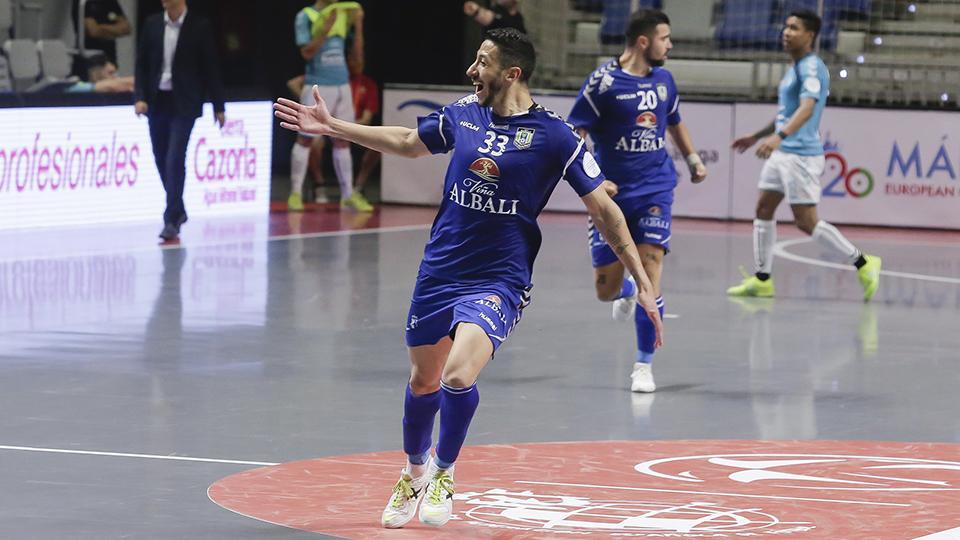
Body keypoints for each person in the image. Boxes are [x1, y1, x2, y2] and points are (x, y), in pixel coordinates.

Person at [274, 27, 663, 530]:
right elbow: (410, 142)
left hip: (499, 278)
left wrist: (643, 283)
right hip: (440, 270)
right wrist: (336, 128)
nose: (471, 71)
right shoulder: (463, 113)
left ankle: (443, 470)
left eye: (482, 62)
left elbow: (607, 213)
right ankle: (413, 472)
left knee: (459, 374)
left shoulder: (555, 135)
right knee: (424, 379)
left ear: (512, 73)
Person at [568, 10, 706, 393]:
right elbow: (574, 131)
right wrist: (591, 179)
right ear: (644, 42)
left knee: (651, 268)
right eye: (665, 38)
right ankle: (626, 291)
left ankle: (643, 364)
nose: (670, 45)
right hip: (611, 194)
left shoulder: (664, 80)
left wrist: (693, 160)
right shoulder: (603, 83)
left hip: (655, 188)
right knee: (606, 289)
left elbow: (675, 120)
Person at [726, 10, 881, 301]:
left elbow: (807, 107)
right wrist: (758, 137)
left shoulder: (812, 68)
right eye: (785, 27)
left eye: (794, 28)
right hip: (782, 152)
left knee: (806, 221)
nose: (786, 32)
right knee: (763, 209)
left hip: (800, 156)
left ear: (810, 35)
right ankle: (762, 280)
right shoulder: (794, 67)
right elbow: (787, 114)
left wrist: (778, 138)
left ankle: (863, 262)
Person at [134, 0, 225, 242]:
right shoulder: (152, 24)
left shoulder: (199, 26)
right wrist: (140, 97)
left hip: (184, 102)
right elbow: (141, 64)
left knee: (175, 157)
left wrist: (218, 105)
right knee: (160, 157)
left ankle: (170, 219)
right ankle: (178, 209)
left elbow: (210, 66)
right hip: (157, 100)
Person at [289, 1, 371, 212]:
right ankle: (296, 193)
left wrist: (359, 25)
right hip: (317, 84)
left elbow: (357, 60)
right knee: (305, 138)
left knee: (343, 140)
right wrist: (325, 29)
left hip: (342, 84)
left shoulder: (343, 14)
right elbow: (307, 53)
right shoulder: (306, 16)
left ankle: (348, 195)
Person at [347, 47, 379, 206]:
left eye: (360, 60)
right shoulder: (336, 81)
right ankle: (320, 187)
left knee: (379, 145)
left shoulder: (368, 84)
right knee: (313, 143)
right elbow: (293, 82)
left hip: (353, 129)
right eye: (353, 59)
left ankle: (357, 188)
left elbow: (366, 119)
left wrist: (345, 128)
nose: (357, 63)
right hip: (331, 130)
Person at [72, 0, 131, 67]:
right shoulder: (83, 2)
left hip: (110, 58)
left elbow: (127, 28)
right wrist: (115, 30)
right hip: (89, 60)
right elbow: (94, 31)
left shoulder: (110, 2)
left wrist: (102, 28)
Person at [66, 53, 134, 93]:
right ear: (95, 74)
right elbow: (110, 86)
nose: (116, 78)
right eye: (111, 73)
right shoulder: (76, 87)